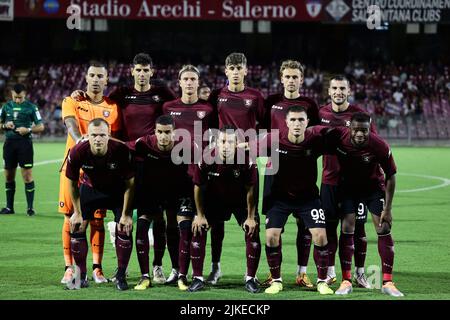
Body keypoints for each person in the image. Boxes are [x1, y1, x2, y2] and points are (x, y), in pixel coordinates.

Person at [256, 105, 334, 295]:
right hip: (280, 198)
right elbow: (249, 147)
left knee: (321, 236)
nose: (297, 123)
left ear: (307, 122)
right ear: (286, 122)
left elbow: (338, 139)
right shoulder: (275, 141)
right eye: (293, 120)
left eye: (301, 120)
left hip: (308, 198)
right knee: (271, 236)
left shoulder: (314, 140)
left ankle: (322, 281)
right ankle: (276, 281)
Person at [328, 112, 403, 297]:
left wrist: (388, 209)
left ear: (370, 130)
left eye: (364, 130)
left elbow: (391, 176)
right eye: (356, 130)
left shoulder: (379, 145)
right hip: (348, 188)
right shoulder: (339, 137)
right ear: (349, 129)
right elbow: (317, 135)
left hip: (373, 188)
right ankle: (346, 280)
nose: (360, 134)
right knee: (347, 226)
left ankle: (387, 282)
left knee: (383, 226)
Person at [59, 62, 121, 285]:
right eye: (92, 75)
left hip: (100, 172)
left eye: (100, 76)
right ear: (86, 77)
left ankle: (97, 268)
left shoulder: (113, 107)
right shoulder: (72, 100)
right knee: (70, 218)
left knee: (97, 220)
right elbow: (70, 123)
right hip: (73, 169)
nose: (96, 79)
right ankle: (70, 268)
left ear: (107, 80)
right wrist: (79, 141)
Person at [206, 52, 265, 284]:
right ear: (226, 71)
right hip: (221, 164)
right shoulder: (217, 95)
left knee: (251, 221)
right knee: (216, 223)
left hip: (246, 165)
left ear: (246, 70)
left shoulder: (256, 97)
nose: (236, 71)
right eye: (232, 67)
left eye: (240, 67)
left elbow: (266, 128)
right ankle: (215, 268)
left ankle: (251, 275)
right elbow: (209, 125)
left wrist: (247, 144)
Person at [264, 60, 320, 288]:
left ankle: (302, 272)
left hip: (301, 167)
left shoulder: (309, 104)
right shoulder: (271, 102)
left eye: (295, 76)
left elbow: (315, 135)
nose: (291, 80)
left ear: (302, 79)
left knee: (304, 224)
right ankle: (273, 274)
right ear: (281, 78)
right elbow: (261, 131)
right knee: (274, 223)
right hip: (274, 165)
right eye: (287, 76)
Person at [319, 75, 376, 288]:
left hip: (355, 184)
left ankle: (360, 274)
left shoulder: (359, 116)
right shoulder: (321, 113)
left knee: (358, 229)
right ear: (329, 90)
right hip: (329, 181)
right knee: (330, 227)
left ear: (349, 90)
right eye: (334, 88)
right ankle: (332, 272)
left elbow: (373, 145)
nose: (338, 92)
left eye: (342, 88)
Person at [187, 126, 261, 293]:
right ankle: (198, 278)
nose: (226, 145)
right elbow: (197, 187)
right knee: (198, 228)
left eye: (230, 142)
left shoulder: (247, 161)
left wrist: (250, 217)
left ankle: (250, 278)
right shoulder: (206, 158)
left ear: (237, 144)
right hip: (214, 202)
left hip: (240, 202)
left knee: (253, 229)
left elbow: (251, 190)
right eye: (222, 141)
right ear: (217, 143)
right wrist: (199, 215)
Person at [126, 115, 194, 291]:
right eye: (160, 132)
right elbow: (121, 147)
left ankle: (180, 273)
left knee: (178, 227)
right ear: (154, 132)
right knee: (142, 225)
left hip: (178, 191)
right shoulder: (144, 143)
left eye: (167, 132)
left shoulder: (186, 146)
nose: (163, 136)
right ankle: (144, 276)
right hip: (152, 191)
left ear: (174, 132)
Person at [66, 118, 134, 290]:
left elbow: (130, 184)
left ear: (108, 135)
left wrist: (126, 214)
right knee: (77, 226)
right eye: (94, 135)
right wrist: (77, 212)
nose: (98, 139)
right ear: (87, 135)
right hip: (90, 189)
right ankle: (80, 276)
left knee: (125, 228)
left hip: (116, 190)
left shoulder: (120, 150)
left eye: (102, 135)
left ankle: (120, 276)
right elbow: (72, 183)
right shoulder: (77, 152)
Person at [0, 84, 44, 216]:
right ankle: (9, 207)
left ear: (25, 94)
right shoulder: (5, 107)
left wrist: (28, 130)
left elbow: (41, 127)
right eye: (15, 97)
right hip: (9, 144)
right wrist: (4, 125)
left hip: (25, 144)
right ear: (11, 94)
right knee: (8, 176)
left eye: (20, 97)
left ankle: (30, 208)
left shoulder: (31, 107)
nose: (18, 100)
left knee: (27, 176)